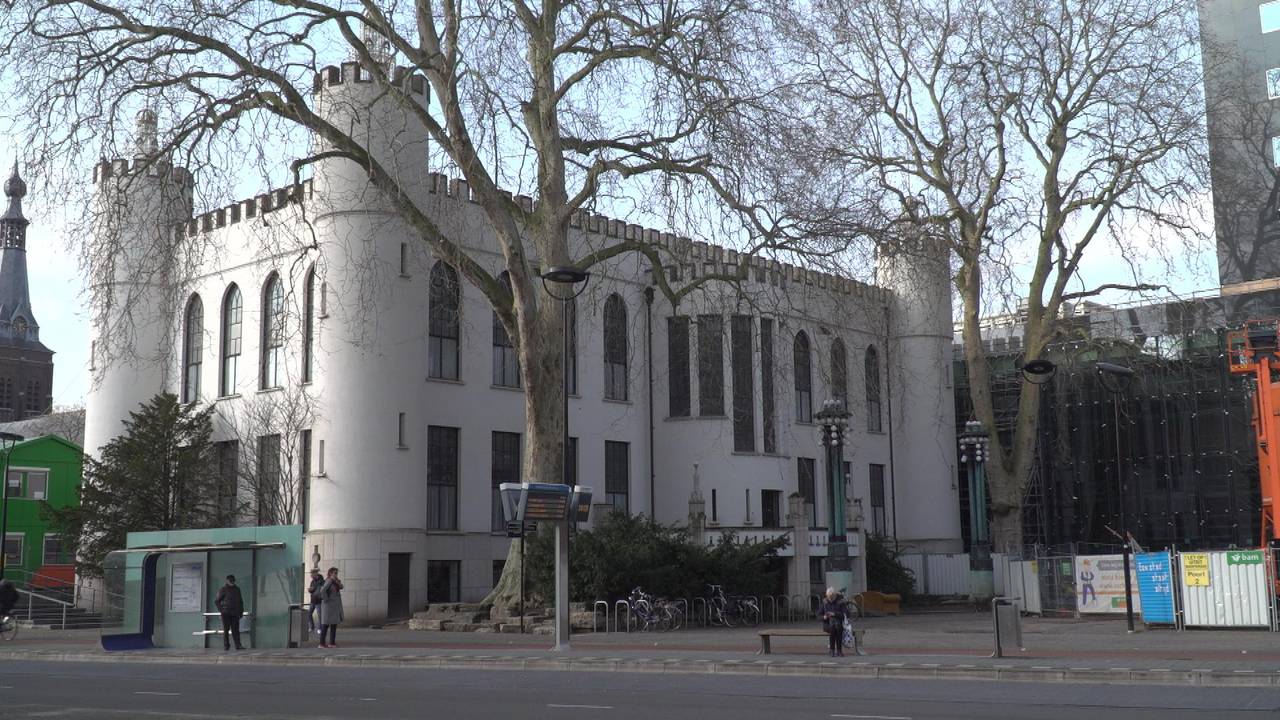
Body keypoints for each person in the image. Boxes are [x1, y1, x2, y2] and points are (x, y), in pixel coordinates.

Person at [214, 574, 245, 651]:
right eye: (231, 581)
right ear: (227, 581)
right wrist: (221, 610)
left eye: (233, 581)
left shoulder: (237, 589)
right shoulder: (223, 589)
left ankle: (238, 645)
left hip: (235, 613)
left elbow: (240, 601)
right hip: (226, 613)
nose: (232, 582)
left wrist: (241, 611)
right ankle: (226, 645)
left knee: (236, 630)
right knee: (226, 630)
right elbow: (217, 601)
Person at [818, 587, 850, 657]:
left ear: (835, 595)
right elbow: (818, 616)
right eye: (828, 597)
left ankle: (837, 650)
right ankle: (834, 650)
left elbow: (847, 614)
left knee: (837, 628)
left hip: (839, 624)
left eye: (831, 597)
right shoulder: (825, 602)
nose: (830, 599)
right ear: (827, 596)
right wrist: (824, 617)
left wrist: (834, 614)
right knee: (833, 628)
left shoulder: (840, 601)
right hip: (827, 624)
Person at [318, 566, 344, 649]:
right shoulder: (329, 581)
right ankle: (322, 643)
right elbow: (322, 590)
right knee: (325, 625)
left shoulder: (335, 581)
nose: (336, 574)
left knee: (333, 625)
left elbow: (341, 586)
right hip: (328, 606)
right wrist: (326, 599)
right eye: (335, 573)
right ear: (330, 573)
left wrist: (336, 581)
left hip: (334, 607)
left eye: (337, 573)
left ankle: (332, 643)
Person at [307, 570, 324, 635]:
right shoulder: (312, 581)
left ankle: (320, 628)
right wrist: (310, 590)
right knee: (309, 613)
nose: (311, 576)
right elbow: (312, 590)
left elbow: (322, 590)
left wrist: (313, 589)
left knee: (320, 615)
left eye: (312, 574)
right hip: (313, 600)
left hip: (319, 601)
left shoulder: (321, 581)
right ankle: (312, 627)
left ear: (315, 574)